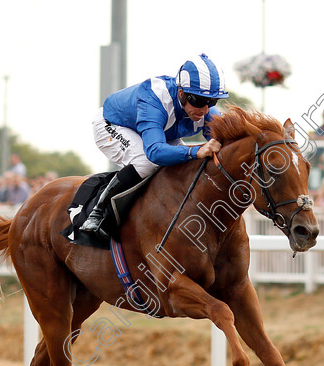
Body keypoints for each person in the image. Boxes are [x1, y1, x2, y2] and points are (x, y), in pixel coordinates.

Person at [80, 53, 226, 236]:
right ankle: (99, 211)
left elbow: (227, 144)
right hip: (112, 124)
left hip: (162, 130)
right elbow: (155, 152)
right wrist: (195, 151)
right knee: (146, 162)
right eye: (199, 101)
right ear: (181, 93)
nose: (205, 109)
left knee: (187, 165)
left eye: (212, 102)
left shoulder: (207, 112)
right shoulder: (155, 99)